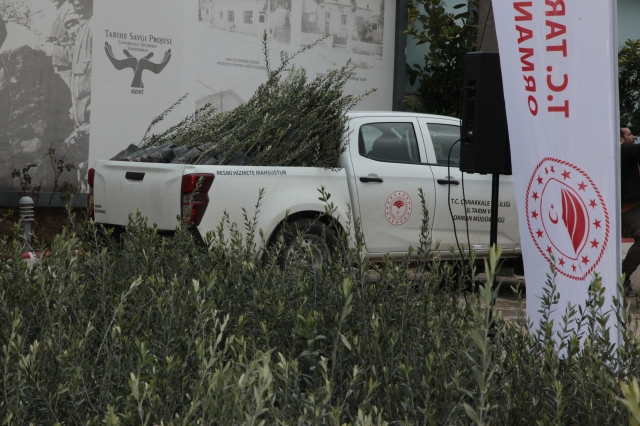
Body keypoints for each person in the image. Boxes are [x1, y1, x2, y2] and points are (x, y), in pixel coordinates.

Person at [620, 126, 640, 295]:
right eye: (629, 134)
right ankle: (622, 277)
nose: (633, 137)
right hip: (629, 208)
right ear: (620, 139)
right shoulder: (623, 151)